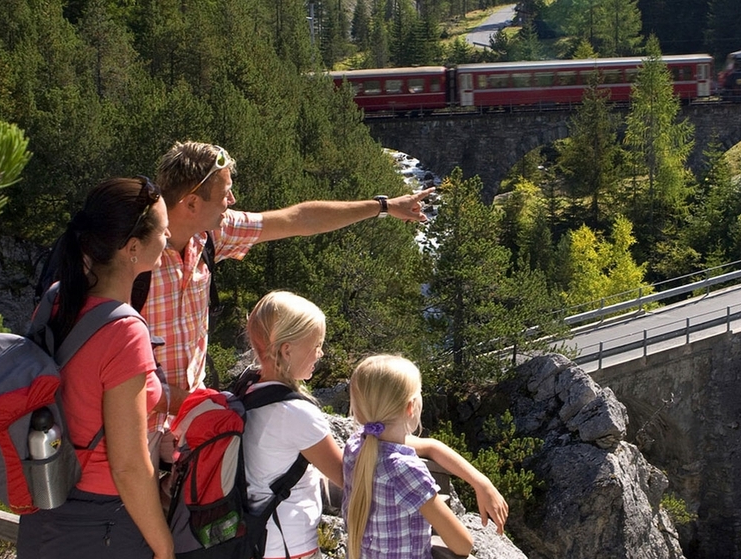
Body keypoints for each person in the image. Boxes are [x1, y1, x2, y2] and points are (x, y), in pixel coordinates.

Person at [143, 141, 435, 461]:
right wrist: (207, 403)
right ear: (192, 204)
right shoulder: (136, 258)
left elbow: (300, 220)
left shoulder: (210, 235)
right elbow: (124, 374)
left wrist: (384, 206)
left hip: (187, 426)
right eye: (225, 193)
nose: (233, 200)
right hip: (139, 431)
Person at [241, 291, 506, 559]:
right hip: (288, 544)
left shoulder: (249, 389)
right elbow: (351, 477)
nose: (320, 353)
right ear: (287, 350)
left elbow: (379, 453)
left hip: (261, 536)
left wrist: (479, 480)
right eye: (316, 344)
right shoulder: (296, 414)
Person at [17, 178, 174, 559]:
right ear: (133, 248)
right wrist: (164, 547)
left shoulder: (57, 299)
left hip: (46, 503)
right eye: (163, 230)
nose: (169, 237)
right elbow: (128, 467)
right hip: (100, 524)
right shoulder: (125, 331)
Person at [344, 354, 474, 559]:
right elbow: (463, 544)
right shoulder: (405, 469)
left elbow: (419, 445)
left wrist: (481, 483)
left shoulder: (355, 447)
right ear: (410, 407)